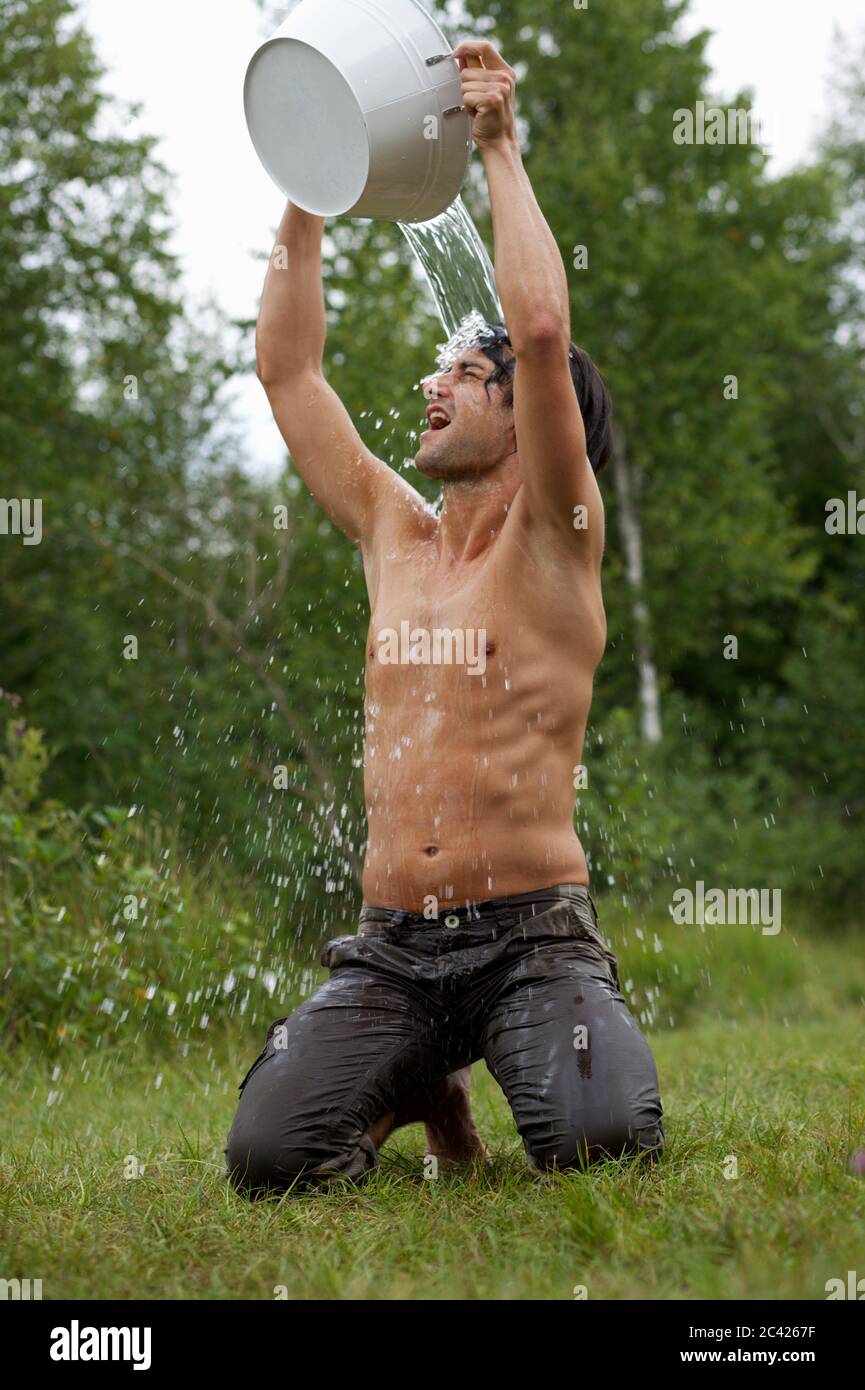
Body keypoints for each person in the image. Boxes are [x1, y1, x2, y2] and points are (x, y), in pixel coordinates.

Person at [225, 38, 664, 1195]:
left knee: (600, 1142)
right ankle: (424, 1079)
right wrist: (309, 176)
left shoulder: (558, 544)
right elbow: (285, 372)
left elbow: (538, 334)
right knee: (271, 1159)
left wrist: (499, 147)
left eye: (462, 373)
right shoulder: (393, 533)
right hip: (390, 948)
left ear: (533, 417)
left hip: (531, 939)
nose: (433, 382)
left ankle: (493, 1063)